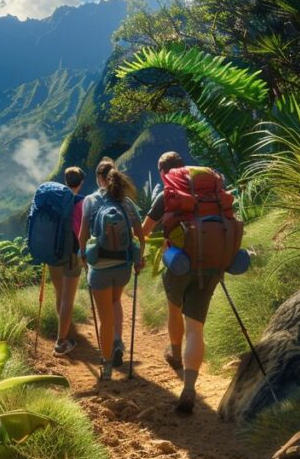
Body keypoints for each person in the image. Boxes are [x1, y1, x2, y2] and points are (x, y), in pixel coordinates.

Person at [141, 151, 223, 414]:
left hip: (179, 264)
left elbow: (143, 230)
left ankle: (175, 354)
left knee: (174, 311)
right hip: (211, 263)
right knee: (196, 328)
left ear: (164, 172)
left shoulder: (168, 193)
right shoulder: (209, 190)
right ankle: (189, 386)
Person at [78, 159, 146, 380]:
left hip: (100, 266)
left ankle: (106, 365)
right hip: (123, 265)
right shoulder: (125, 202)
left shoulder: (90, 201)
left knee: (104, 316)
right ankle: (117, 341)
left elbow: (82, 234)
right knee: (116, 301)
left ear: (99, 179)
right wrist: (139, 258)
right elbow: (140, 234)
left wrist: (83, 257)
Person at [50, 166, 86, 356]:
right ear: (81, 183)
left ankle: (65, 328)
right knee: (67, 299)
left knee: (59, 293)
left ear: (65, 180)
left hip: (53, 254)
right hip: (72, 255)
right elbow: (82, 233)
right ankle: (61, 341)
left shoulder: (54, 201)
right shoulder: (81, 202)